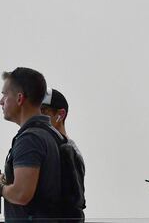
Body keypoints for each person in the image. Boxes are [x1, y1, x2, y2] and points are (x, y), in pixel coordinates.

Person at [0, 67, 61, 219]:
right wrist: (7, 180)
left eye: (4, 95)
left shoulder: (30, 139)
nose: (0, 102)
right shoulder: (51, 134)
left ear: (19, 98)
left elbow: (21, 194)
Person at [41, 87, 86, 215]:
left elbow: (75, 204)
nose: (38, 116)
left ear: (60, 114)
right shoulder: (48, 146)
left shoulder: (67, 150)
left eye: (43, 111)